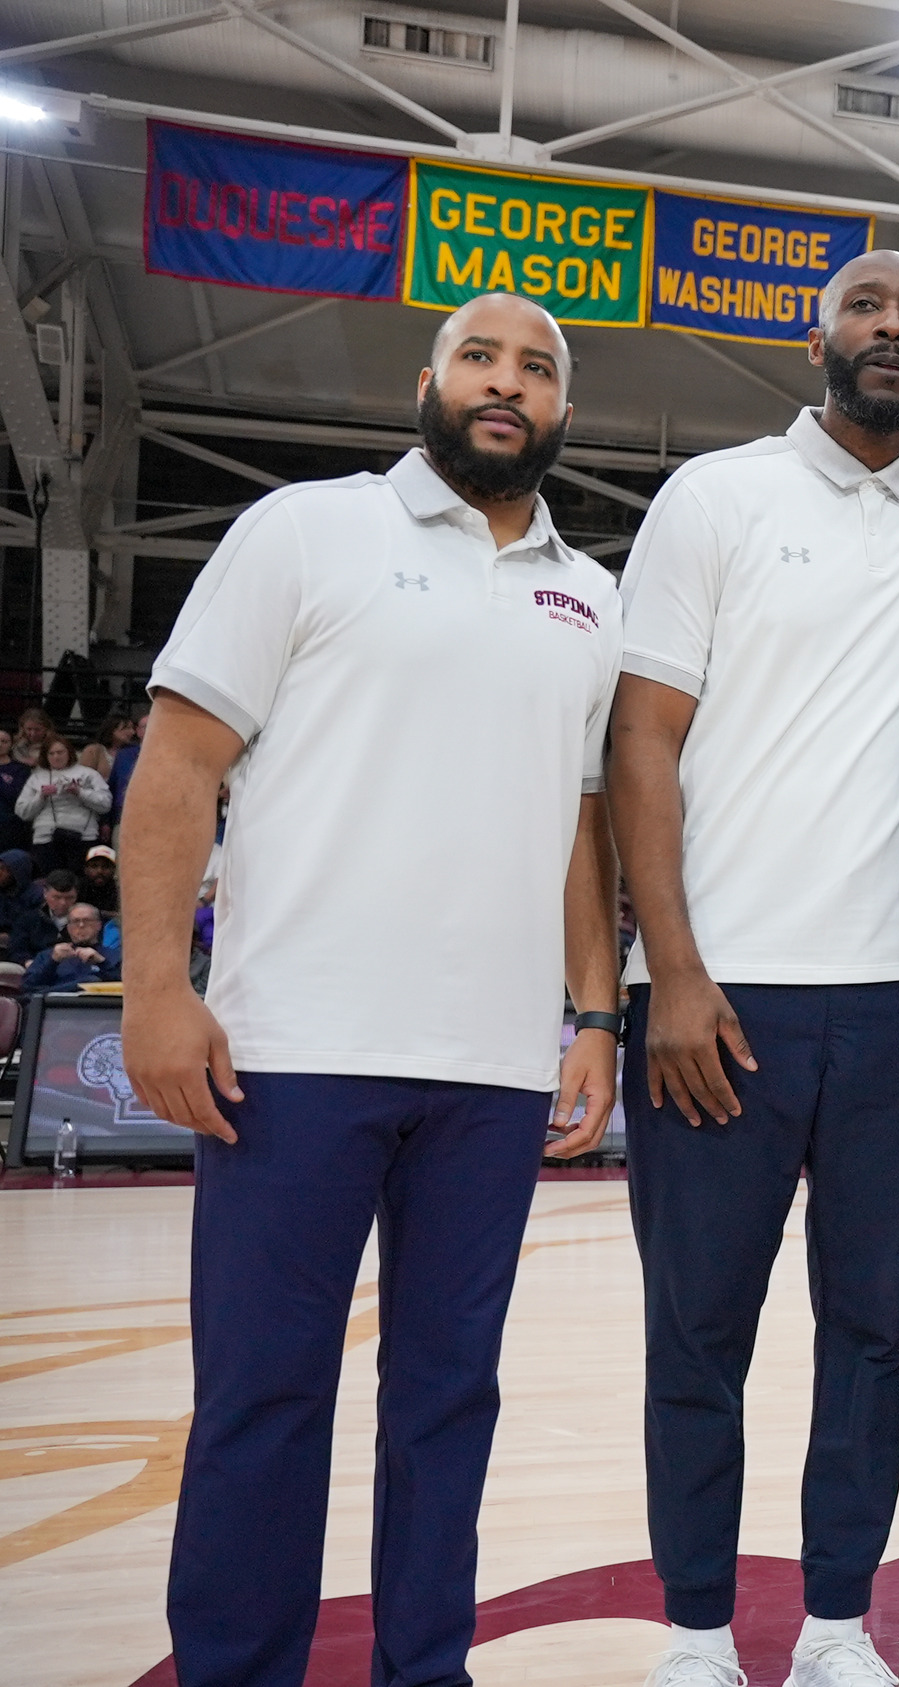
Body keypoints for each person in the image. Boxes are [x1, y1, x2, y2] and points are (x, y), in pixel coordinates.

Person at [120, 290, 622, 1687]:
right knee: (264, 1399)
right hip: (296, 1049)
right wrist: (157, 985)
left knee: (448, 1401)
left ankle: (428, 1666)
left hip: (495, 1067)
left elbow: (586, 829)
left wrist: (594, 1013)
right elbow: (177, 765)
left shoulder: (595, 592)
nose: (506, 381)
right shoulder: (303, 528)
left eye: (537, 367)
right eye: (481, 356)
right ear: (429, 381)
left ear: (563, 412)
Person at [606, 250, 899, 1687]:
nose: (894, 328)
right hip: (723, 995)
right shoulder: (713, 496)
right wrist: (671, 968)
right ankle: (698, 1627)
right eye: (868, 307)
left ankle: (840, 1618)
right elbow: (640, 738)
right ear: (818, 330)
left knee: (876, 1324)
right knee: (698, 1324)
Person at [17, 734, 111, 875]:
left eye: (60, 752)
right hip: (46, 838)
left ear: (69, 753)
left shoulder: (89, 774)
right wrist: (41, 796)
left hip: (83, 837)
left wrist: (79, 792)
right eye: (51, 753)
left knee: (78, 882)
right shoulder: (36, 777)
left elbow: (105, 804)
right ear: (46, 756)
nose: (56, 757)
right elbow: (22, 812)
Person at [22, 899, 116, 992]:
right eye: (75, 921)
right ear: (68, 928)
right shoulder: (47, 955)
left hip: (99, 1005)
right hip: (59, 1005)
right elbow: (28, 987)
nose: (81, 925)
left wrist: (102, 962)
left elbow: (125, 985)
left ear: (98, 925)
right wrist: (53, 961)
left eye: (87, 920)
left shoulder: (114, 956)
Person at [10, 869, 78, 964]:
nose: (63, 903)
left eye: (69, 898)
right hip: (37, 967)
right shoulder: (27, 919)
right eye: (57, 897)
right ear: (45, 893)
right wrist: (27, 962)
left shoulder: (88, 919)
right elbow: (17, 950)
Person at [80, 842, 123, 916]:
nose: (100, 871)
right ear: (86, 869)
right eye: (94, 866)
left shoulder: (120, 891)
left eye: (106, 866)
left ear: (114, 869)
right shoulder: (78, 889)